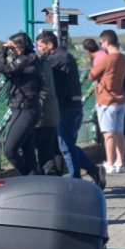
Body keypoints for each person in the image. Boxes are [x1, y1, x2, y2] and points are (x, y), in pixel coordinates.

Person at [36, 31, 101, 185]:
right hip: (72, 106)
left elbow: (40, 70)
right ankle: (93, 170)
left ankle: (75, 180)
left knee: (65, 146)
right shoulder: (65, 56)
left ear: (50, 45)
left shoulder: (57, 58)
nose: (38, 49)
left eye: (40, 46)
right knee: (67, 144)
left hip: (66, 108)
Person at [0, 32, 45, 175]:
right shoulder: (31, 59)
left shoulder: (26, 60)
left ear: (22, 45)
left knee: (10, 150)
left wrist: (3, 49)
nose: (14, 49)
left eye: (16, 46)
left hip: (26, 110)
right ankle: (34, 182)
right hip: (24, 108)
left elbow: (2, 68)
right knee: (28, 152)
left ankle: (28, 178)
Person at [90, 30, 125, 173]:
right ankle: (121, 162)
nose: (101, 45)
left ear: (106, 42)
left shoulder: (108, 59)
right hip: (121, 99)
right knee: (119, 132)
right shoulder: (124, 58)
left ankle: (110, 163)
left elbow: (92, 75)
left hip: (106, 101)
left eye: (101, 43)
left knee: (108, 133)